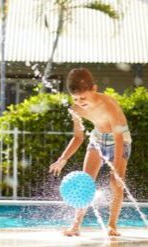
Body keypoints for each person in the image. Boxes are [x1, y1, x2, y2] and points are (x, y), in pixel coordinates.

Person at [49, 68, 132, 237]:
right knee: (85, 183)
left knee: (116, 182)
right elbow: (78, 137)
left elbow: (119, 136)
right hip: (97, 139)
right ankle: (76, 225)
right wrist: (63, 158)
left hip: (121, 139)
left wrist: (115, 168)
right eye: (76, 98)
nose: (79, 102)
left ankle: (112, 225)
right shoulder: (76, 110)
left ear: (94, 89)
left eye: (83, 97)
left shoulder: (108, 105)